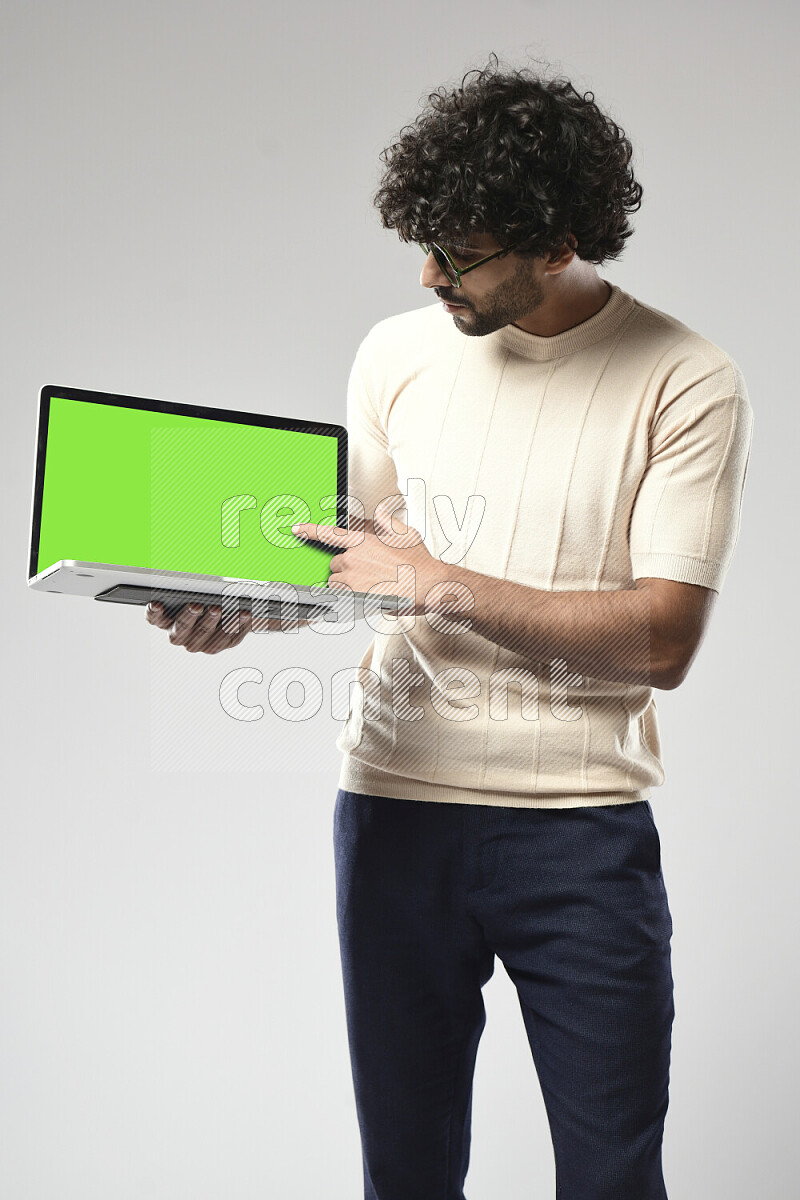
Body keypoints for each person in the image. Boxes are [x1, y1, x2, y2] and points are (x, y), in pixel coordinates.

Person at [147, 55, 753, 1200]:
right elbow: (370, 567)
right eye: (419, 242)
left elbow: (660, 639)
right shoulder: (393, 354)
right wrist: (249, 613)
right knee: (405, 1179)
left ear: (555, 246)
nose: (429, 274)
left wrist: (439, 582)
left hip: (578, 835)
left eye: (459, 252)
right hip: (392, 816)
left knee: (613, 1180)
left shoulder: (685, 379)